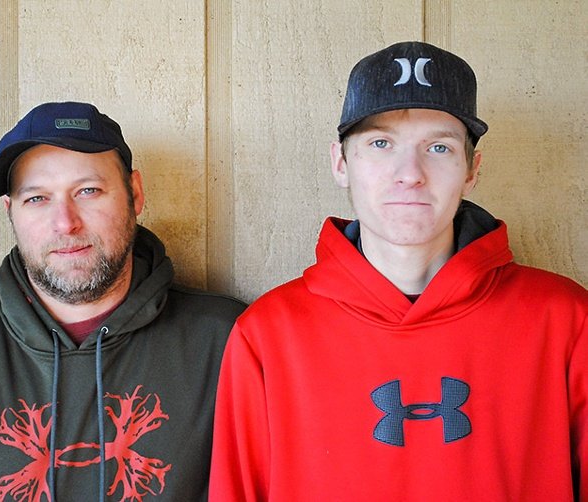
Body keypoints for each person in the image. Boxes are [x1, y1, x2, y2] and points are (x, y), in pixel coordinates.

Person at [209, 41, 587, 501]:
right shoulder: (268, 335)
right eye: (381, 143)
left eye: (439, 147)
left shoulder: (565, 319)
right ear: (341, 163)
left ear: (472, 170)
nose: (410, 173)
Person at [0, 101, 246, 501]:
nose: (66, 222)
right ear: (10, 211)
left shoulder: (228, 342)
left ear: (135, 194)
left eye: (88, 191)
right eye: (37, 199)